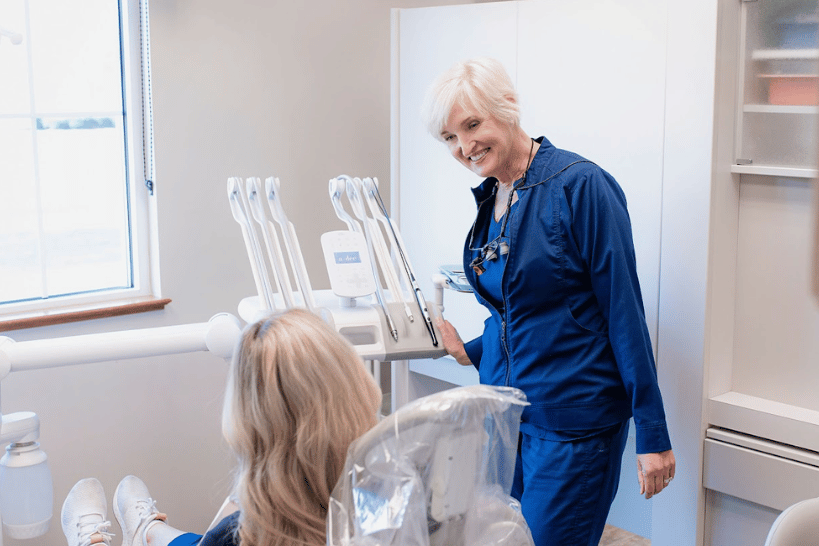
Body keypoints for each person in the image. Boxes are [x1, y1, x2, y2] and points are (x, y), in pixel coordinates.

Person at [422, 57, 676, 545]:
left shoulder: (581, 186)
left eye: (473, 125)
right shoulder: (495, 196)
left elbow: (624, 313)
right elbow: (520, 308)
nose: (464, 147)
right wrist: (469, 350)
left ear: (508, 107)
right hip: (506, 417)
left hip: (572, 425)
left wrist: (653, 432)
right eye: (450, 138)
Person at [59, 308, 382, 546]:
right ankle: (147, 531)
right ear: (354, 380)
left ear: (250, 423)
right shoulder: (402, 486)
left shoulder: (242, 535)